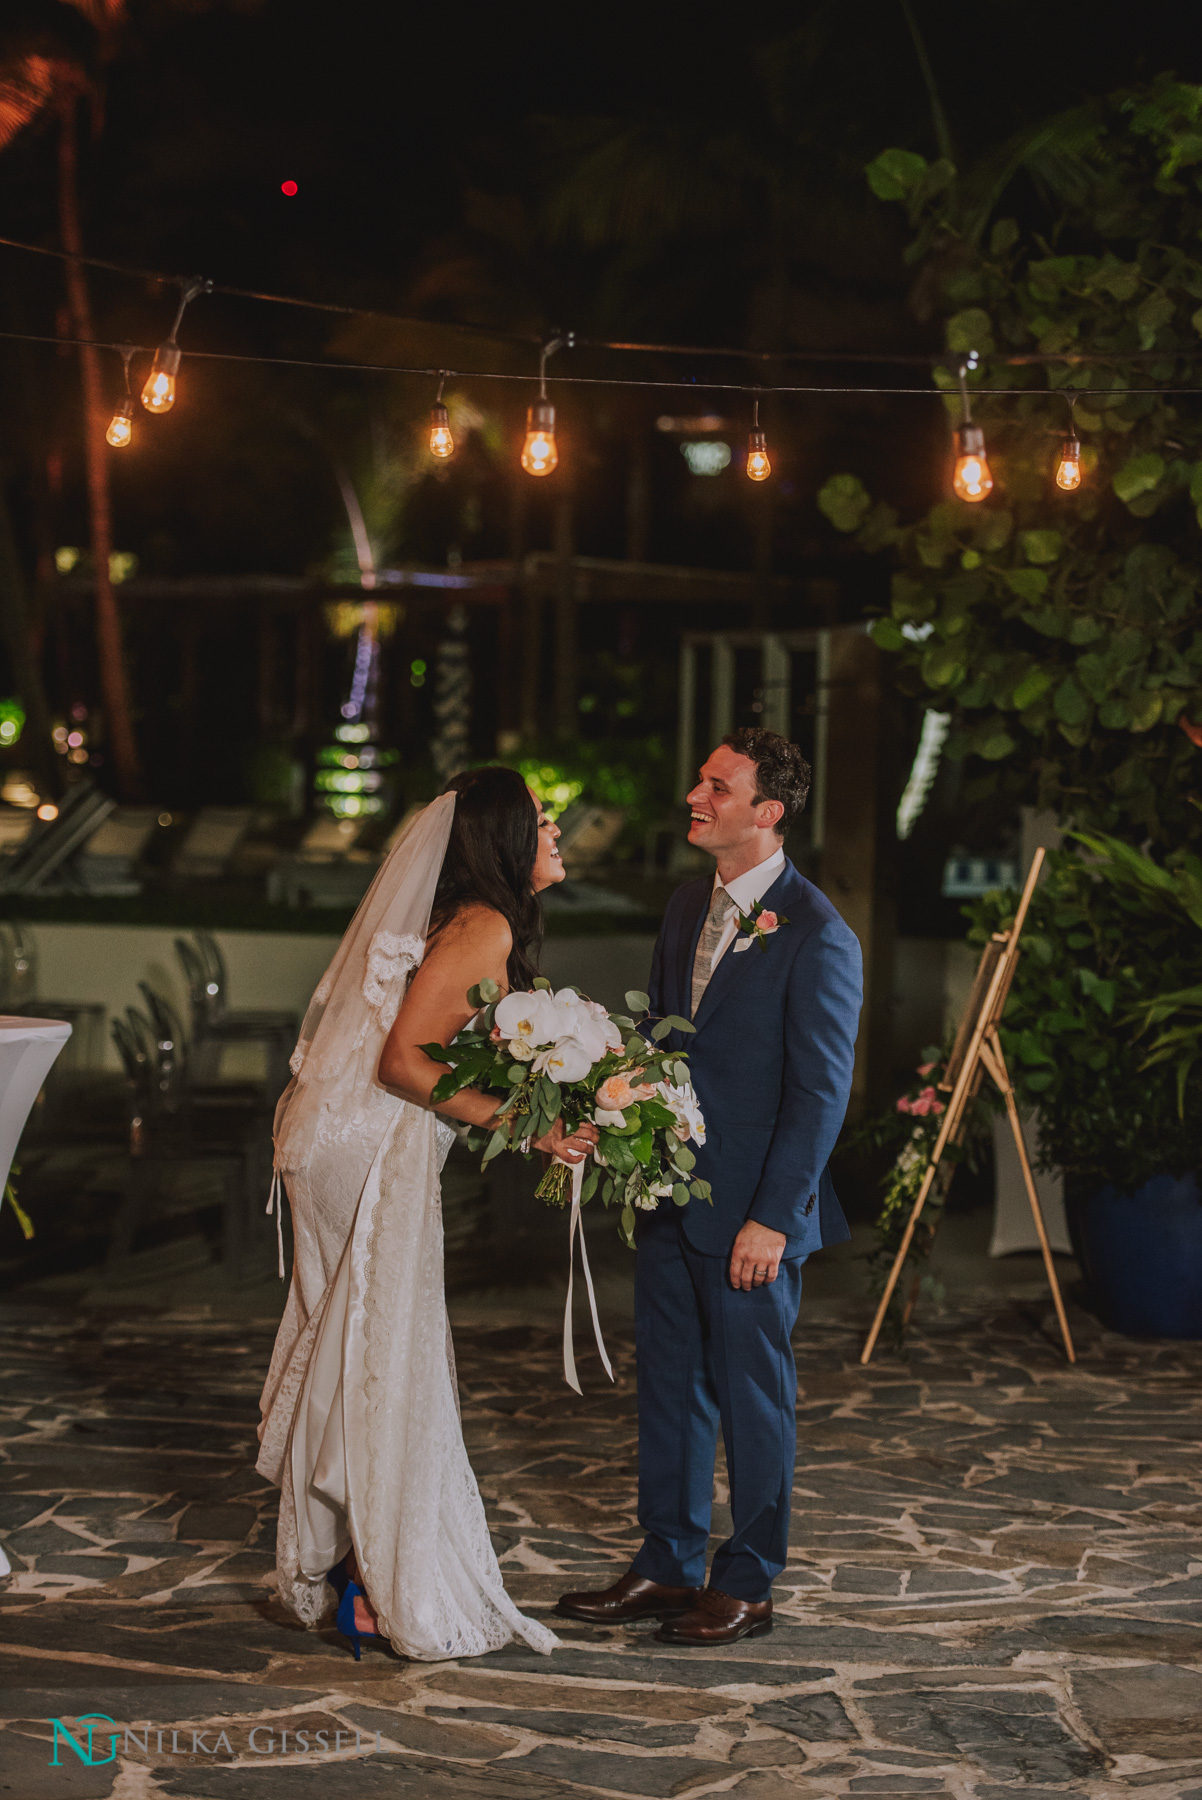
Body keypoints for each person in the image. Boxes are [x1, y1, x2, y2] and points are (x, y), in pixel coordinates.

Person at [256, 767, 596, 1660]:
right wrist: (535, 1127)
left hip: (334, 1141)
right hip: (367, 1147)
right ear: (503, 840)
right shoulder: (483, 923)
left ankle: (343, 1570)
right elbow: (404, 1065)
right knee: (380, 1346)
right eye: (541, 819)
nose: (555, 830)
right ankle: (374, 1584)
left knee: (352, 1341)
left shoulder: (462, 918)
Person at [557, 728, 862, 1645]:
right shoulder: (687, 904)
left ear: (766, 812)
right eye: (700, 779)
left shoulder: (818, 934)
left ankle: (750, 1578)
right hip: (668, 1196)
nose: (697, 794)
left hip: (752, 1219)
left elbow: (818, 1092)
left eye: (718, 785)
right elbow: (662, 1047)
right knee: (670, 1388)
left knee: (752, 1398)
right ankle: (666, 1563)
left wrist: (773, 1218)